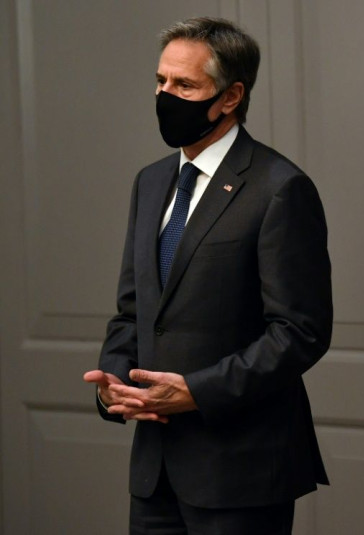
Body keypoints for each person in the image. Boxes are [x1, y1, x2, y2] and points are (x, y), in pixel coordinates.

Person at [83, 17, 332, 534]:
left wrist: (198, 390)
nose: (166, 95)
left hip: (241, 472)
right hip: (154, 474)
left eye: (185, 85)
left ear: (230, 96)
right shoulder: (150, 182)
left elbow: (300, 332)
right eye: (161, 81)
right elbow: (134, 311)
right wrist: (113, 384)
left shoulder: (280, 188)